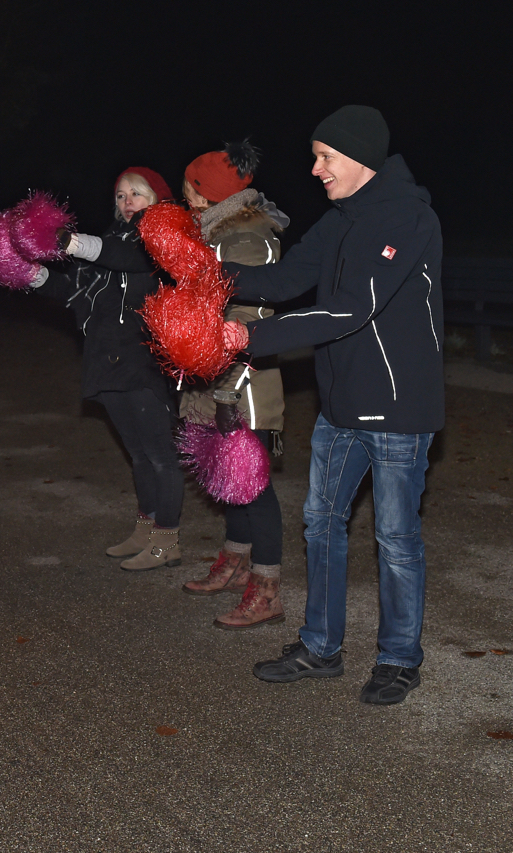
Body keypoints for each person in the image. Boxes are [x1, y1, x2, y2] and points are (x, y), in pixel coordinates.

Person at [222, 106, 444, 704]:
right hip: (340, 408)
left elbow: (352, 307)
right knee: (321, 526)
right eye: (316, 156)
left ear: (361, 157)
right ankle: (320, 648)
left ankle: (399, 658)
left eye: (326, 157)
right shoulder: (339, 220)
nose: (316, 169)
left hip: (398, 409)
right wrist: (203, 269)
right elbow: (282, 279)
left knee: (396, 539)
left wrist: (252, 339)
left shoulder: (408, 218)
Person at [29, 168, 184, 571]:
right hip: (107, 359)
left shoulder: (165, 240)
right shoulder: (108, 241)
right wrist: (31, 273)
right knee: (138, 454)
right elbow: (74, 294)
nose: (127, 200)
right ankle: (145, 527)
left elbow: (130, 259)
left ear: (158, 198)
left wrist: (73, 242)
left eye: (137, 192)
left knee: (160, 455)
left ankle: (168, 540)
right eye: (120, 195)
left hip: (143, 360)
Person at [177, 141, 290, 629]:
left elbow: (246, 321)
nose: (185, 201)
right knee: (229, 483)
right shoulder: (212, 235)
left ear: (207, 195)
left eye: (188, 192)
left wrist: (224, 391)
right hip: (213, 377)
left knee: (254, 488)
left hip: (244, 383)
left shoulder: (249, 239)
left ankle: (267, 589)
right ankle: (236, 559)